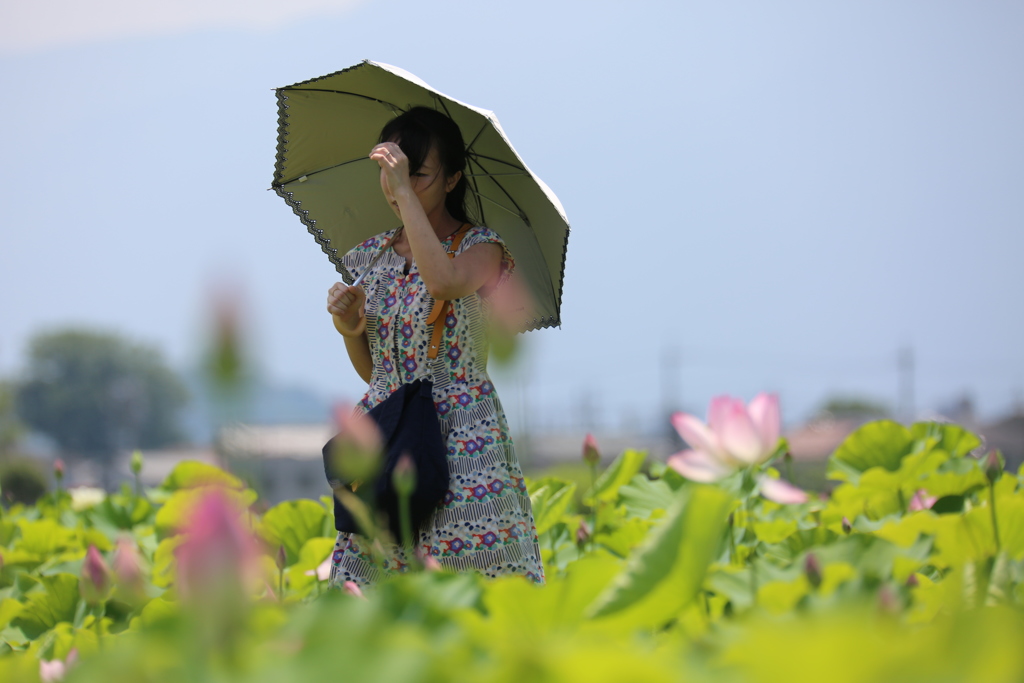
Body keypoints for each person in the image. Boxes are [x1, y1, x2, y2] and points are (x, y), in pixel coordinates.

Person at [325, 107, 545, 586]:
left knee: (468, 581)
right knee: (368, 587)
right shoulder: (372, 256)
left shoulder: (481, 248)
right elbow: (377, 373)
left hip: (464, 434)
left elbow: (444, 283)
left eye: (415, 174)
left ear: (451, 180)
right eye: (387, 172)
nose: (395, 184)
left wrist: (404, 196)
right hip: (389, 428)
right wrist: (349, 326)